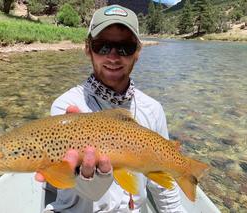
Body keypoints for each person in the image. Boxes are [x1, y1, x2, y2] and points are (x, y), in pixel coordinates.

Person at [37, 4, 186, 213]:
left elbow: (163, 185)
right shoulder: (66, 107)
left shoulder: (153, 109)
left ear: (138, 52)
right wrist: (93, 181)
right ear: (88, 48)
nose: (113, 57)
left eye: (125, 47)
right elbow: (77, 188)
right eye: (103, 46)